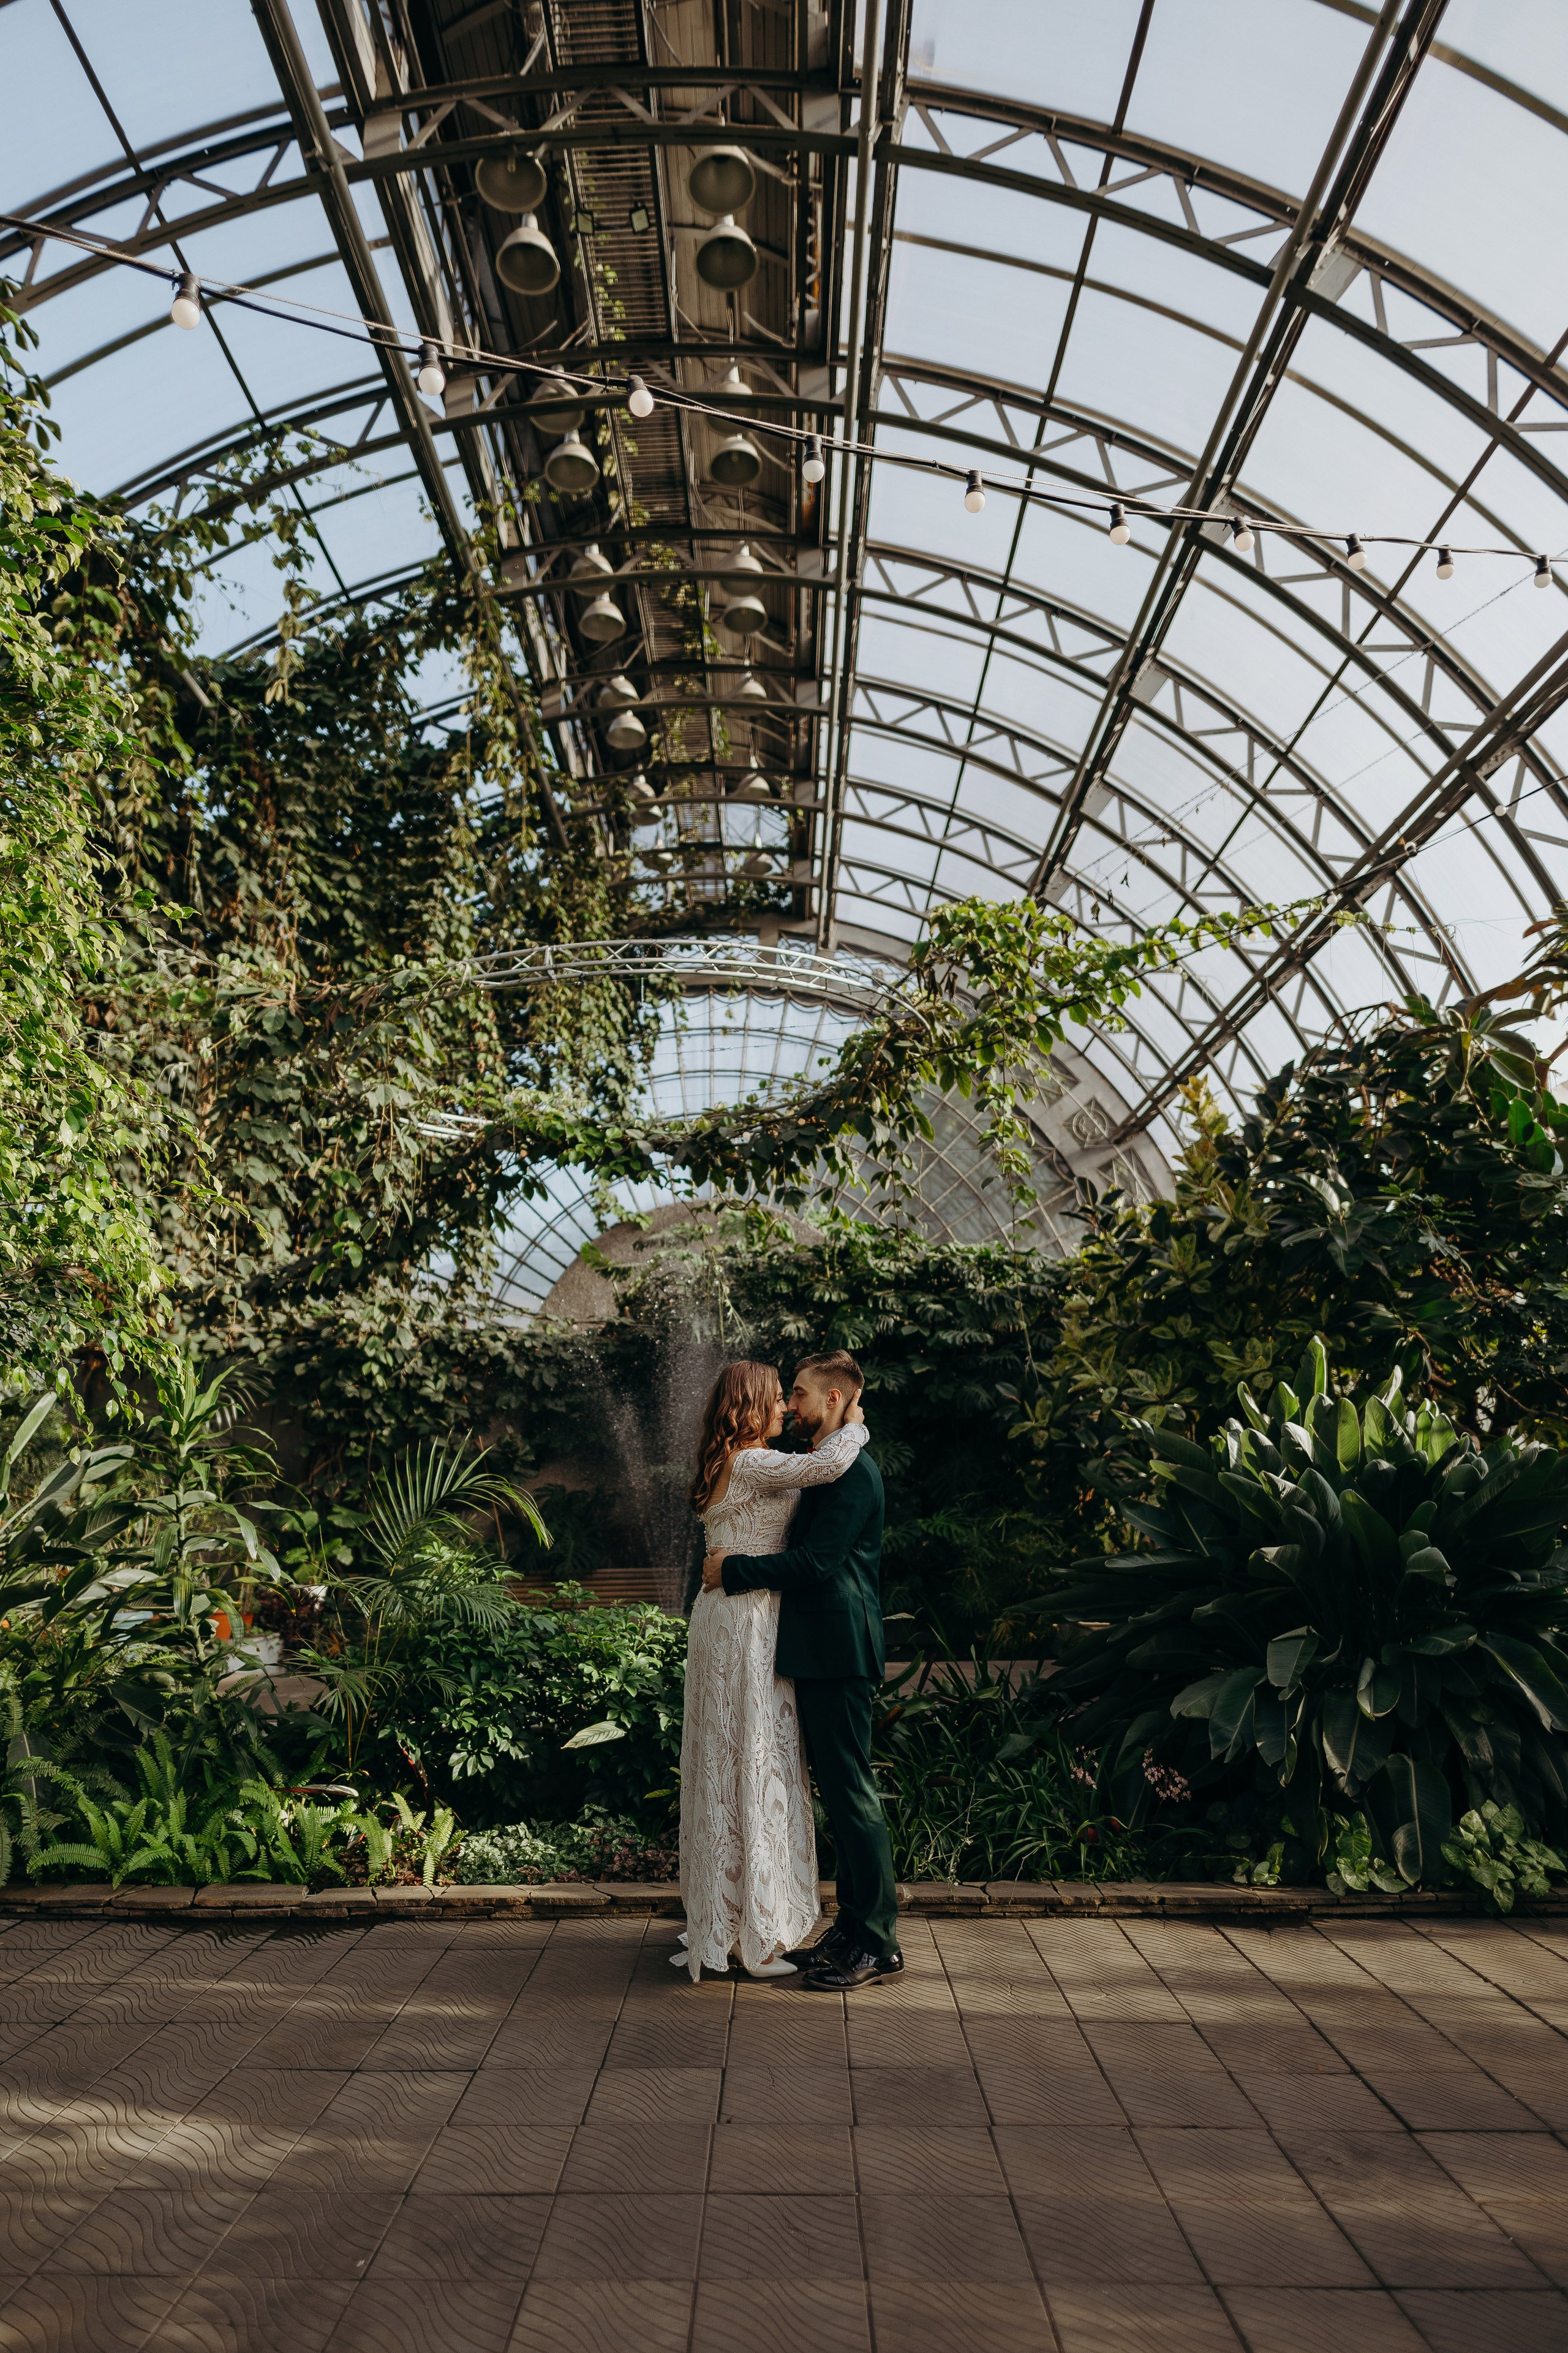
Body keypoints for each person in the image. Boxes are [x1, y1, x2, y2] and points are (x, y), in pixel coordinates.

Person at [702, 1348, 903, 1993]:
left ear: (834, 1398)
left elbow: (817, 1562)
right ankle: (850, 1929)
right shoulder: (822, 1465)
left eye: (799, 1393)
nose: (790, 1405)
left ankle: (877, 1943)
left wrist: (733, 1569)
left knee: (853, 1794)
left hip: (839, 1650)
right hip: (814, 1650)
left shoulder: (852, 1473)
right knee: (839, 1797)